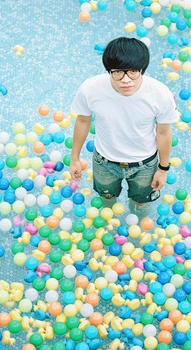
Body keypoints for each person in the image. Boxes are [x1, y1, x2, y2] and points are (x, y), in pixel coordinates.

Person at [69, 37, 180, 218]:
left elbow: (164, 132)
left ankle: (137, 227)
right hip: (104, 162)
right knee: (107, 200)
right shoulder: (91, 89)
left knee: (141, 203)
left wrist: (163, 169)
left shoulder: (159, 94)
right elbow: (82, 121)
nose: (126, 80)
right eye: (118, 72)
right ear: (109, 71)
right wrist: (74, 158)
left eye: (133, 72)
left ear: (142, 69)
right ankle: (109, 226)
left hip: (145, 164)